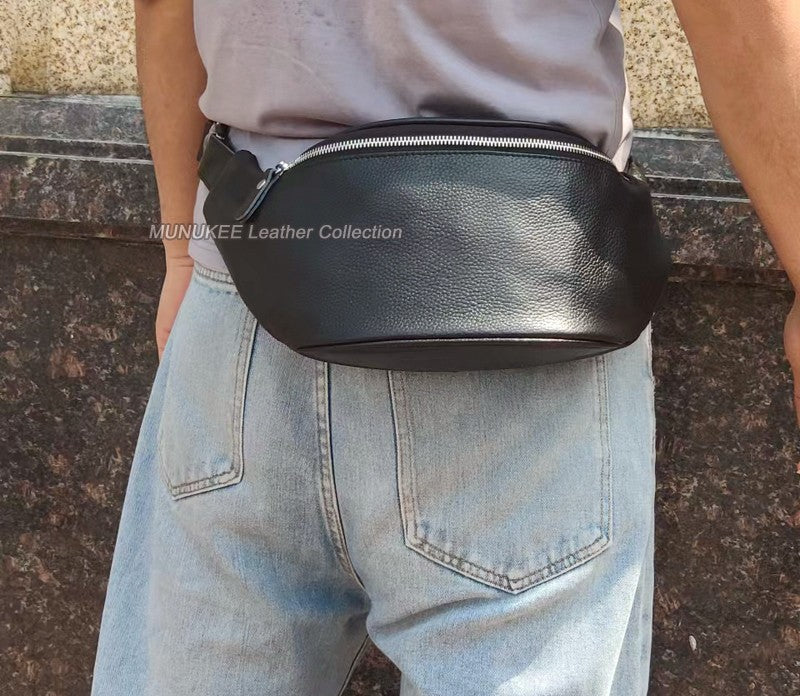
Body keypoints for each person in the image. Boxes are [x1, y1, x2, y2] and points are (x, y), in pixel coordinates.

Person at [90, 2, 800, 695]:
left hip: (248, 292)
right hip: (526, 313)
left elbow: (164, 9)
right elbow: (742, 20)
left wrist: (182, 250)